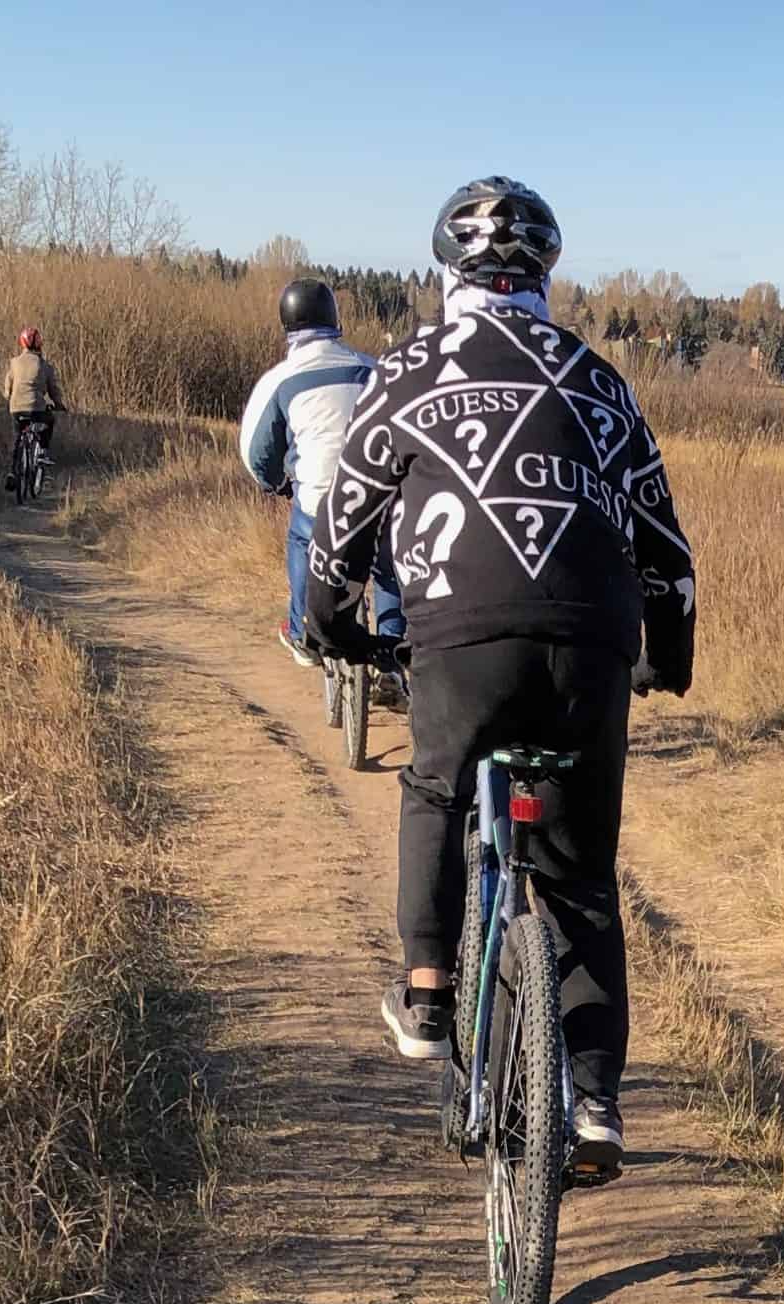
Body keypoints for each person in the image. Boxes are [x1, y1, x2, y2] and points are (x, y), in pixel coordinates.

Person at [305, 177, 695, 1180]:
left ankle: (430, 988)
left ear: (447, 274)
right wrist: (669, 656)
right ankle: (597, 1100)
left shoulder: (407, 368)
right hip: (589, 638)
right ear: (545, 277)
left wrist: (329, 620)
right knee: (582, 876)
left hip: (462, 630)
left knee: (439, 783)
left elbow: (344, 518)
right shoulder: (598, 379)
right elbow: (665, 545)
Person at [236, 279, 402, 673]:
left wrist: (275, 483)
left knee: (301, 539)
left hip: (319, 499)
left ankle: (302, 633)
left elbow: (255, 451)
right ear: (335, 319)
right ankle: (394, 656)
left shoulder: (280, 379)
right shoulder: (373, 368)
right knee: (387, 566)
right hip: (379, 496)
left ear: (286, 327)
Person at [4, 326, 66, 493]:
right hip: (36, 409)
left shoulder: (14, 363)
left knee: (17, 438)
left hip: (16, 408)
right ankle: (43, 453)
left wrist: (8, 398)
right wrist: (59, 405)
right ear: (39, 345)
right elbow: (53, 390)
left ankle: (12, 472)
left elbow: (7, 388)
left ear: (22, 344)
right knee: (49, 421)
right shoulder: (45, 366)